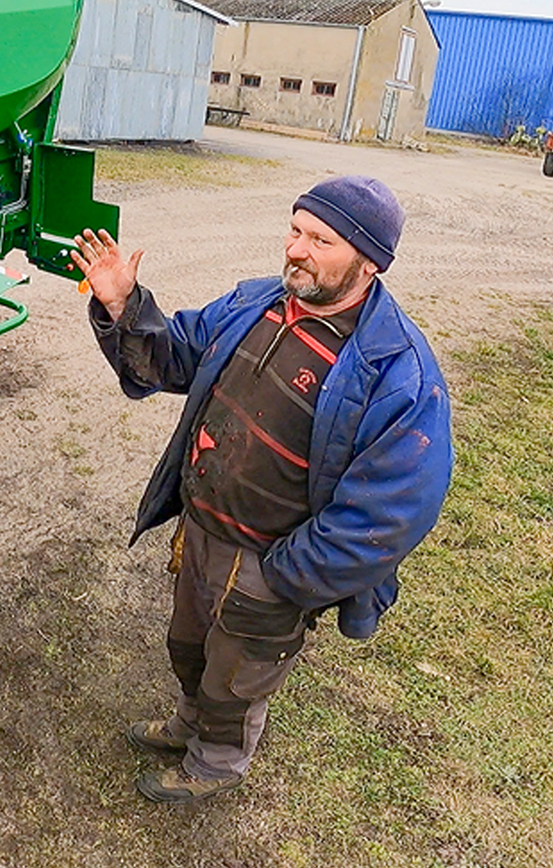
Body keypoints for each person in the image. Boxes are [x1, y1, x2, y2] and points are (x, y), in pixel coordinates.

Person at [71, 175, 453, 804]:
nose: (296, 249)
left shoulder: (397, 371)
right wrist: (123, 305)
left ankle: (215, 763)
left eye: (321, 240)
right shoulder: (255, 304)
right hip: (200, 530)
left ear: (369, 261)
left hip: (270, 561)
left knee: (238, 676)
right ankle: (189, 725)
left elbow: (392, 508)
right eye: (295, 229)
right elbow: (172, 356)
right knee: (188, 645)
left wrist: (285, 575)